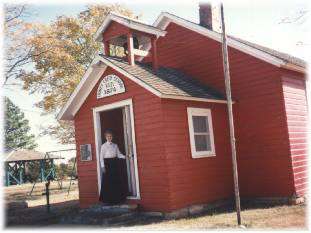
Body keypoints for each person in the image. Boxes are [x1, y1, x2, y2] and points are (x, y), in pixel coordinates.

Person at [99, 129, 129, 204]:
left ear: (112, 137)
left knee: (115, 181)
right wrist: (103, 167)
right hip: (107, 164)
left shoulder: (115, 145)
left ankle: (117, 199)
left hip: (114, 164)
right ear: (105, 137)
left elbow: (118, 154)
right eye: (108, 136)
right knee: (108, 183)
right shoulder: (103, 146)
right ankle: (108, 200)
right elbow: (101, 158)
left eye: (110, 136)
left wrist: (126, 156)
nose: (109, 137)